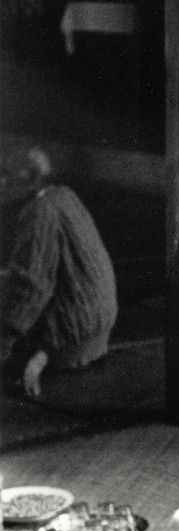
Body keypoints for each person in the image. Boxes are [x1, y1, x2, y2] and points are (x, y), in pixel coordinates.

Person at [0, 147, 118, 398]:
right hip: (96, 335)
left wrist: (3, 345)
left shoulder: (40, 211)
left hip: (67, 341)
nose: (1, 183)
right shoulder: (63, 196)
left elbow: (30, 287)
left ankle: (35, 360)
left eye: (6, 175)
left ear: (31, 178)